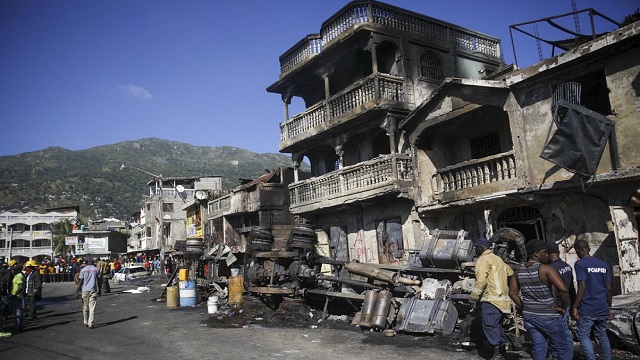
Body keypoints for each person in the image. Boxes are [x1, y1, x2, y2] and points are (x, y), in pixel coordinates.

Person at [509, 239, 572, 360]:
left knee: (538, 348)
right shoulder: (546, 269)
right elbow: (563, 290)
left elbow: (512, 293)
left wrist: (524, 306)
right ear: (536, 254)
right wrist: (565, 307)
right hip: (548, 316)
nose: (547, 255)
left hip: (530, 317)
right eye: (545, 252)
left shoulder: (518, 272)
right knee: (563, 347)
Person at [469, 237, 514, 360]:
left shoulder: (483, 260)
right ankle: (502, 350)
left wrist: (474, 296)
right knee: (497, 326)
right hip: (502, 301)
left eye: (476, 248)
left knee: (489, 326)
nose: (475, 250)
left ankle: (497, 354)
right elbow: (510, 272)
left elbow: (481, 281)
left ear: (481, 247)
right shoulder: (498, 259)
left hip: (491, 300)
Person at [572, 239, 612, 360]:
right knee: (602, 334)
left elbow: (582, 285)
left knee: (583, 335)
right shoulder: (603, 264)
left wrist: (575, 306)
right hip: (602, 306)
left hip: (588, 307)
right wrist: (609, 307)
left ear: (578, 251)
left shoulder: (580, 264)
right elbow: (609, 288)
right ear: (588, 249)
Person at [546, 241, 575, 352]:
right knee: (565, 332)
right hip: (566, 304)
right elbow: (571, 288)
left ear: (547, 254)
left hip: (558, 306)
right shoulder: (566, 266)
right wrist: (572, 306)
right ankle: (568, 354)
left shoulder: (551, 269)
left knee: (558, 335)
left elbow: (554, 290)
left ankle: (563, 355)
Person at [76, 258, 101, 329]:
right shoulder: (96, 269)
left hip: (85, 290)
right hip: (93, 290)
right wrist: (100, 290)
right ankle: (91, 323)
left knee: (85, 307)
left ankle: (85, 321)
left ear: (86, 263)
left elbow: (80, 282)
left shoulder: (83, 270)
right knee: (92, 307)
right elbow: (99, 281)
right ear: (93, 262)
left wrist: (77, 292)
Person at [9, 263, 25, 334]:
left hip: (16, 296)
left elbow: (20, 286)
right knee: (19, 312)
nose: (12, 270)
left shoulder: (19, 276)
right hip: (17, 296)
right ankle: (19, 327)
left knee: (17, 313)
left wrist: (15, 294)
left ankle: (17, 328)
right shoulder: (17, 275)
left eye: (14, 269)